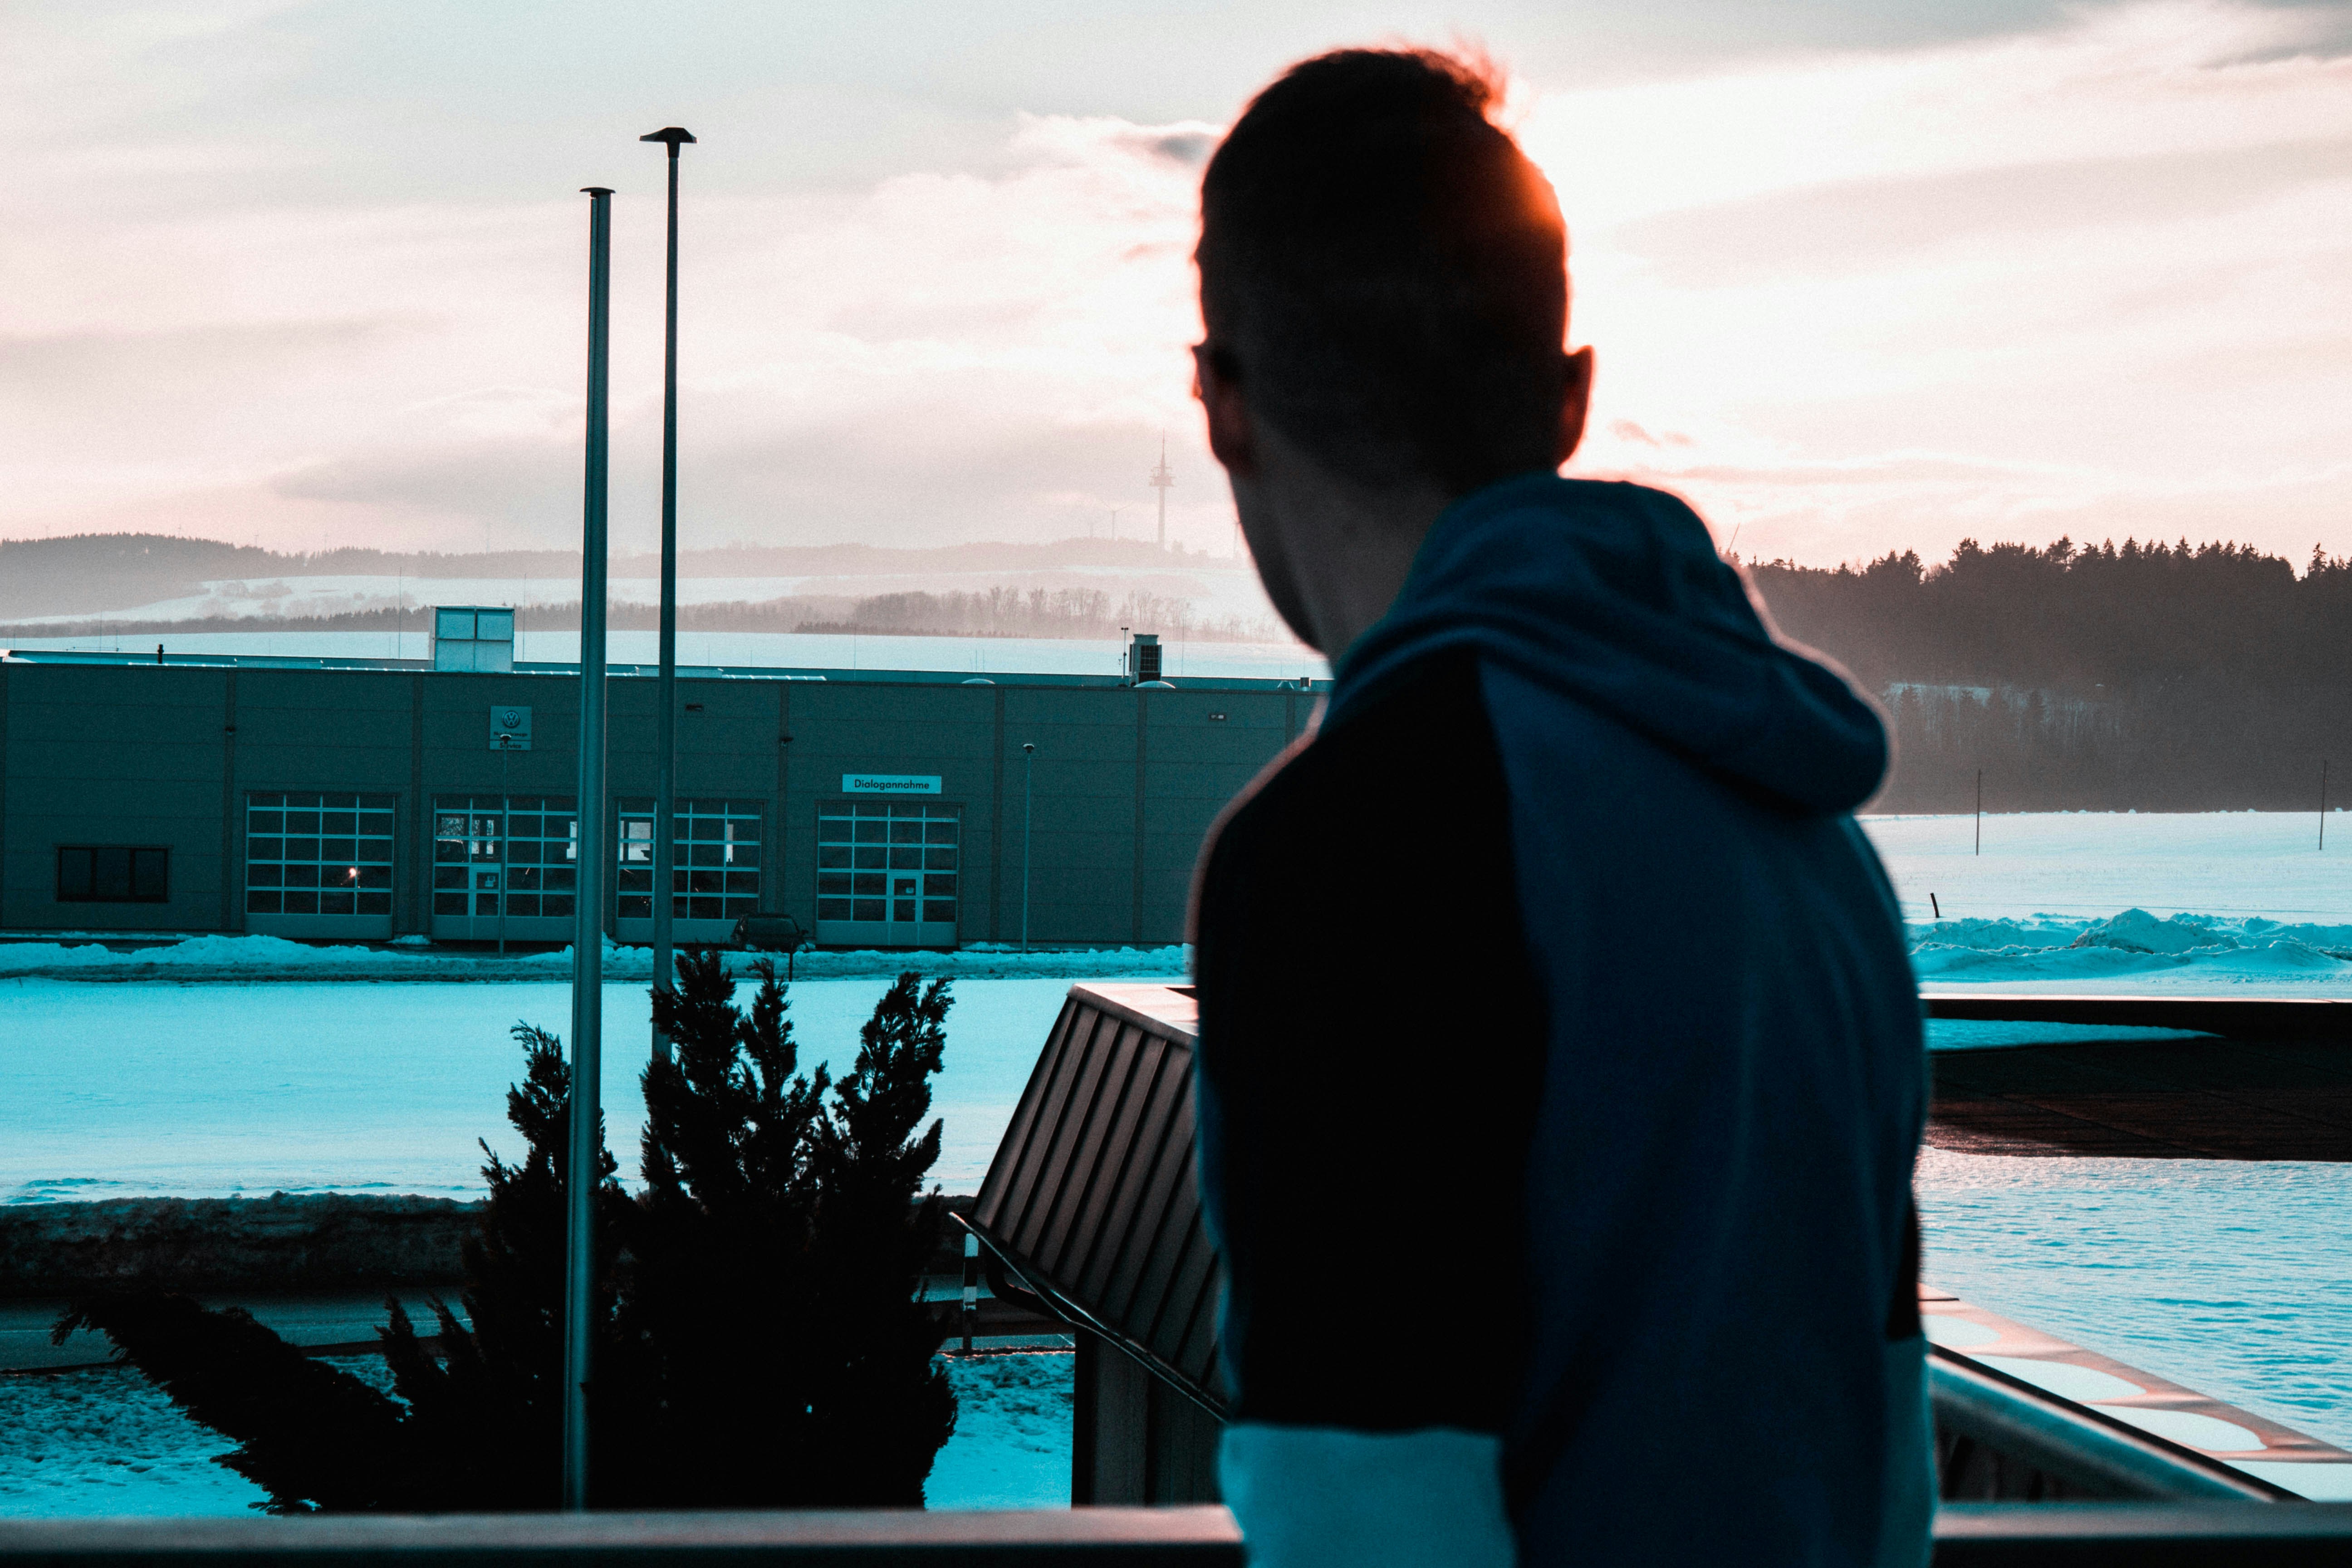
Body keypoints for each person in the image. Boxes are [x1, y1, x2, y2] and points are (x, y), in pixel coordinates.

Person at [1186, 47, 1932, 1568]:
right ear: (1572, 398)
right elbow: (1882, 1454)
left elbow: (1364, 1517)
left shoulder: (1355, 848)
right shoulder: (1807, 827)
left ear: (1223, 408)